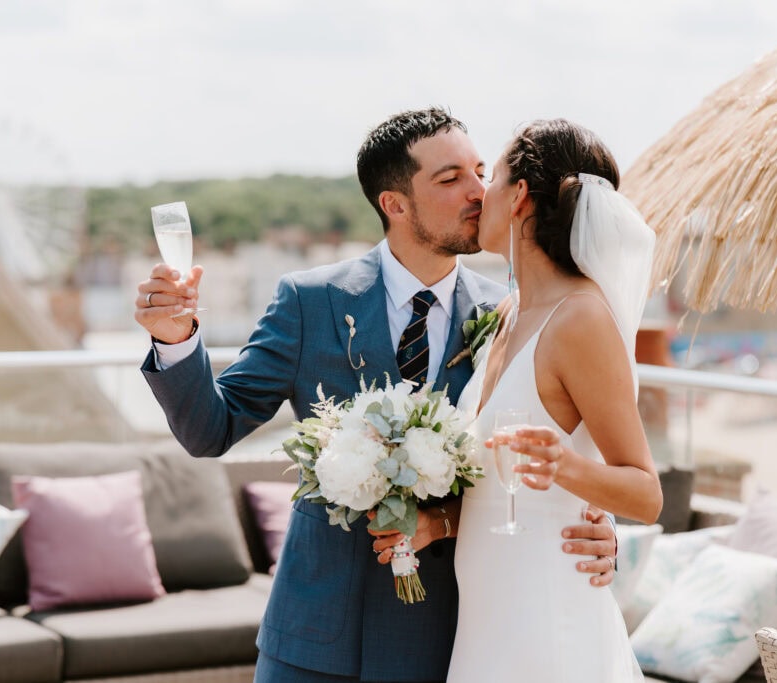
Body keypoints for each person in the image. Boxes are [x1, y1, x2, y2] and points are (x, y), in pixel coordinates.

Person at [133, 107, 619, 683]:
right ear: (395, 204)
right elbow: (209, 429)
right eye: (450, 178)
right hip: (313, 636)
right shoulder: (308, 302)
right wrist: (177, 342)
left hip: (446, 639)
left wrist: (598, 525)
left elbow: (553, 445)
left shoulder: (509, 316)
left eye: (480, 171)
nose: (478, 192)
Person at [445, 119, 663, 682]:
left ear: (519, 196)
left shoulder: (581, 319)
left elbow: (645, 492)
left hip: (546, 606)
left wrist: (566, 467)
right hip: (488, 610)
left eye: (490, 177)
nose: (479, 194)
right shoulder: (507, 313)